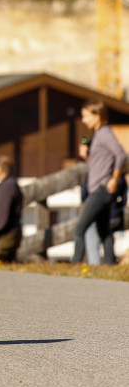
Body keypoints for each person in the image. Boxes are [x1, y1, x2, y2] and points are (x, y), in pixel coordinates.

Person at [72, 100, 127, 265]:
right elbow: (102, 161)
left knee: (79, 228)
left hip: (101, 189)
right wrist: (88, 156)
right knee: (104, 231)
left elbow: (122, 155)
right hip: (100, 188)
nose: (83, 120)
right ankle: (110, 265)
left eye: (86, 116)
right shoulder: (99, 135)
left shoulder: (104, 133)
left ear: (97, 116)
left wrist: (115, 178)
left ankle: (75, 265)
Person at [0, 155, 23, 264]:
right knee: (7, 267)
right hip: (9, 234)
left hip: (5, 235)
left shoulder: (7, 187)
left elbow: (3, 212)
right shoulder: (10, 184)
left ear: (1, 168)